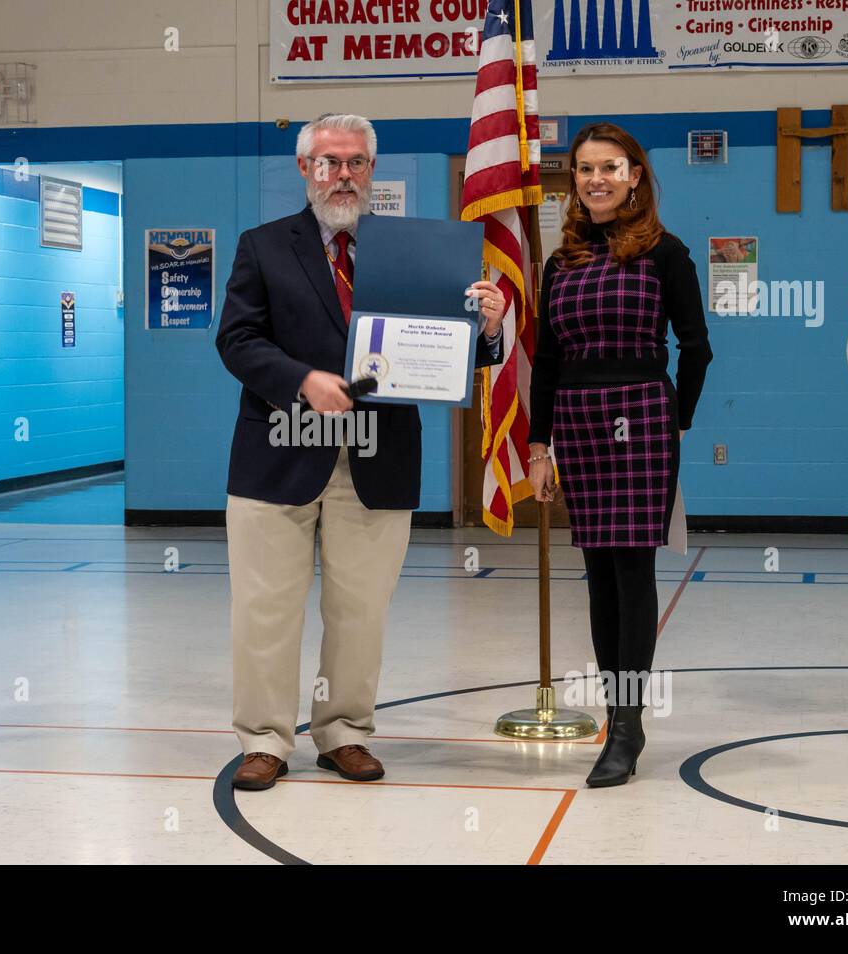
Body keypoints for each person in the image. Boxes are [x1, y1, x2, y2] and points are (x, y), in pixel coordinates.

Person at [216, 112, 508, 790]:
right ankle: (264, 739)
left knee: (360, 609)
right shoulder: (262, 247)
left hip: (380, 458)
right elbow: (236, 341)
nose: (341, 174)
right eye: (328, 161)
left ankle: (344, 732)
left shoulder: (415, 251)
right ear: (304, 169)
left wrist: (487, 329)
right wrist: (300, 380)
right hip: (278, 454)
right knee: (264, 608)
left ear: (372, 170)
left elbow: (450, 352)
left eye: (354, 162)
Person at [527, 122, 712, 787]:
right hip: (576, 420)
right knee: (598, 576)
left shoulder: (668, 253)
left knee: (632, 575)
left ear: (635, 175)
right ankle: (618, 710)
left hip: (642, 417)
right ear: (573, 180)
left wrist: (679, 422)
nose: (597, 179)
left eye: (610, 167)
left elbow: (697, 347)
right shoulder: (560, 262)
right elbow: (546, 362)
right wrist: (538, 445)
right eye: (584, 169)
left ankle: (626, 726)